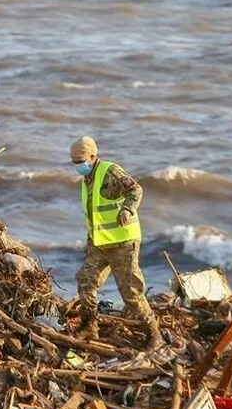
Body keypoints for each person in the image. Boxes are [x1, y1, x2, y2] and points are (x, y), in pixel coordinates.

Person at [70, 136, 164, 349]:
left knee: (131, 293)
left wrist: (127, 209)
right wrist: (90, 243)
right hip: (99, 244)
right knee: (85, 282)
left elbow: (135, 190)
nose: (78, 166)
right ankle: (89, 326)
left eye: (81, 161)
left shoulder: (110, 172)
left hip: (123, 244)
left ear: (93, 156)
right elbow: (95, 215)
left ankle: (154, 334)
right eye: (74, 162)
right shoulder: (88, 179)